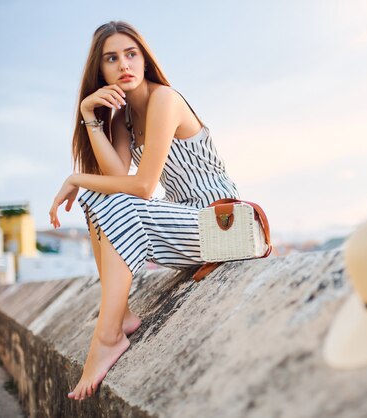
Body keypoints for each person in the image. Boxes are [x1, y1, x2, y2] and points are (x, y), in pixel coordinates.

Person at [49, 20, 240, 401]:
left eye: (131, 54)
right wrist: (90, 114)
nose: (124, 64)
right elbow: (117, 175)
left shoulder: (165, 100)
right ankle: (120, 317)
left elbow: (142, 187)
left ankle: (107, 337)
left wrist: (76, 178)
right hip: (184, 218)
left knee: (98, 191)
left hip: (222, 220)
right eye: (112, 58)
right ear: (100, 71)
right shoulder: (124, 117)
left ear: (145, 59)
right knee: (96, 198)